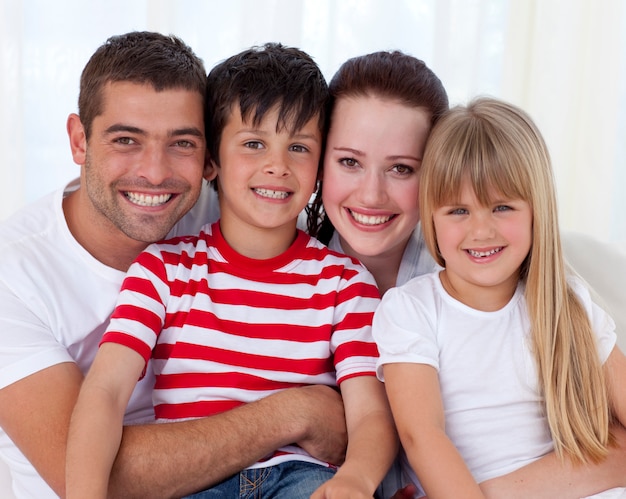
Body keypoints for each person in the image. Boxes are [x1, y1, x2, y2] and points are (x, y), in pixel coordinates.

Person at [0, 31, 348, 499]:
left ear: (208, 157)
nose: (156, 172)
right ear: (79, 141)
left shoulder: (242, 206)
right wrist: (294, 413)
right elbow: (84, 473)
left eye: (181, 144)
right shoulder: (13, 272)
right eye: (126, 139)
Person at [66, 42, 397, 499]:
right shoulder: (162, 270)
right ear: (210, 162)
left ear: (319, 167)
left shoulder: (345, 282)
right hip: (194, 481)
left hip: (302, 478)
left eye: (298, 147)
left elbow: (370, 415)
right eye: (254, 144)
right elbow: (103, 394)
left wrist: (356, 479)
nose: (277, 166)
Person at [308, 51, 626, 497]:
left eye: (402, 168)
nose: (372, 193)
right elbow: (422, 435)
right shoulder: (406, 305)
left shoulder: (551, 293)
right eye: (349, 161)